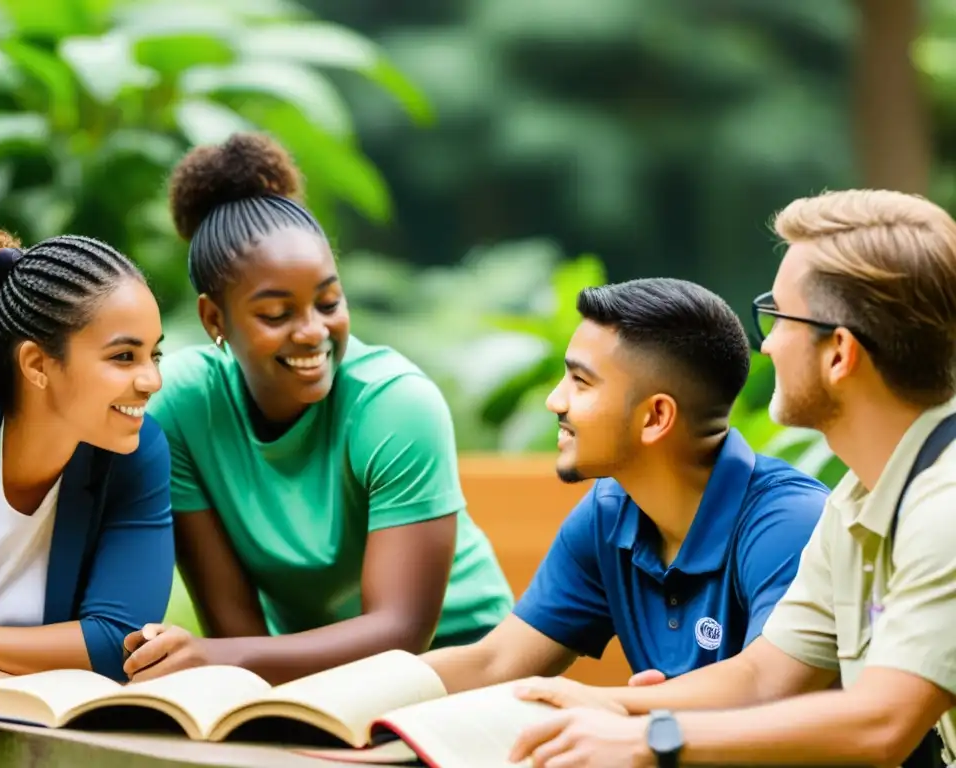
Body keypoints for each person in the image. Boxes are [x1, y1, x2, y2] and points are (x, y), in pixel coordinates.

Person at [509, 189, 956, 768]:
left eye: (777, 316)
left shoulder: (943, 511)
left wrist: (652, 740)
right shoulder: (858, 502)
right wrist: (604, 707)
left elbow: (882, 724)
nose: (764, 344)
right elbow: (766, 675)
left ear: (839, 353)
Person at [120, 132, 514, 684]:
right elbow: (236, 632)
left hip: (458, 663)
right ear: (215, 320)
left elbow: (400, 632)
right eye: (277, 314)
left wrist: (217, 659)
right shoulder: (184, 408)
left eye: (328, 302)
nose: (312, 332)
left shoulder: (396, 405)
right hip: (306, 676)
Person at [420, 278, 828, 696]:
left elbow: (768, 687)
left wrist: (613, 708)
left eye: (580, 381)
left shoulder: (790, 523)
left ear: (655, 417)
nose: (555, 402)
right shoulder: (610, 513)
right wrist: (356, 694)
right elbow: (497, 662)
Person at [0, 225, 172, 696]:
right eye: (124, 356)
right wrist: (35, 688)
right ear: (37, 365)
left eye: (154, 354)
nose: (152, 381)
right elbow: (98, 665)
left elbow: (118, 643)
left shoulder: (135, 454)